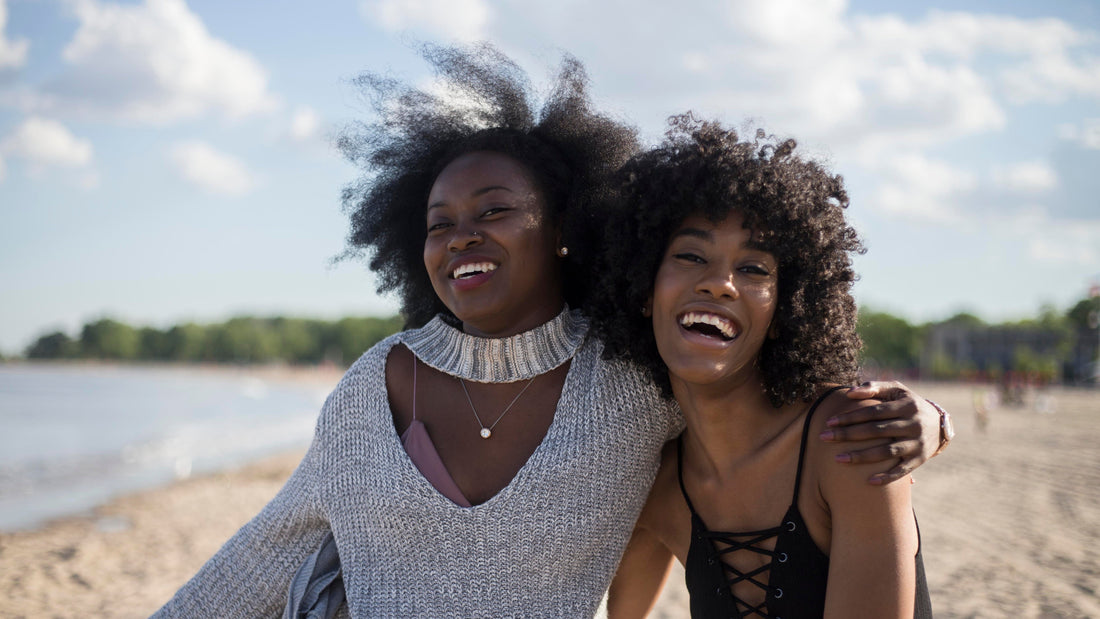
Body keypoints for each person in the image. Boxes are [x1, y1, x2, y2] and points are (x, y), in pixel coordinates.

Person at [153, 46, 945, 618]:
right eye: (440, 224)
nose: (463, 235)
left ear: (564, 228)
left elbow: (759, 398)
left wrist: (932, 421)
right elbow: (261, 557)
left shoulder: (632, 381)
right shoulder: (373, 384)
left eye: (494, 209)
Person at [595, 117, 935, 617]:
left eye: (753, 269)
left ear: (786, 310)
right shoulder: (658, 484)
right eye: (691, 255)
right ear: (644, 289)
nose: (720, 284)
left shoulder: (848, 437)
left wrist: (937, 421)